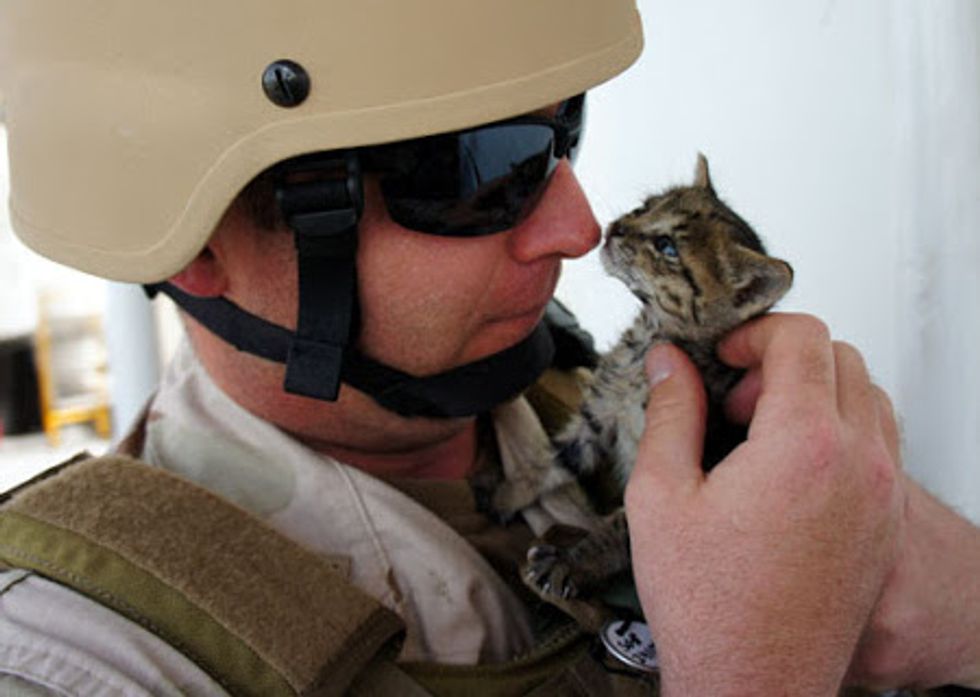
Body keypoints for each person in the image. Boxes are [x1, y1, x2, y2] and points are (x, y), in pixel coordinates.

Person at [0, 1, 977, 695]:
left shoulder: (629, 410)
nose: (575, 225)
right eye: (481, 169)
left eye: (564, 134)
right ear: (204, 245)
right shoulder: (80, 658)